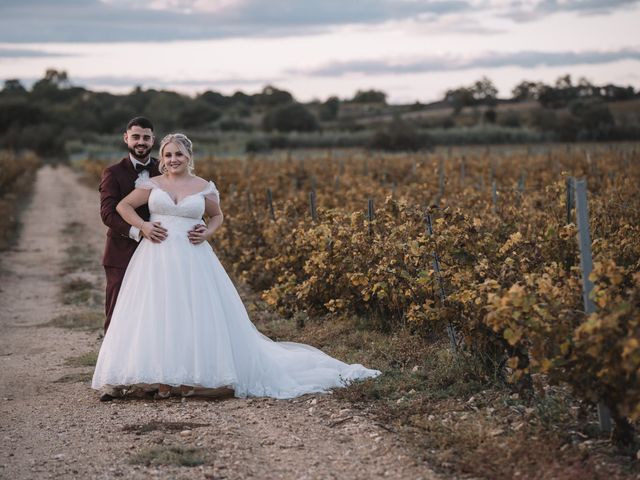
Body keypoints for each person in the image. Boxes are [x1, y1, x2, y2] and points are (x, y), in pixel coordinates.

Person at [91, 133, 381, 400]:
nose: (173, 159)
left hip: (193, 257)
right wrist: (143, 226)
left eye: (178, 154)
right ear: (162, 158)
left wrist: (207, 231)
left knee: (194, 313)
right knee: (158, 311)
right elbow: (122, 207)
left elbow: (217, 216)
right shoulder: (152, 184)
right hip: (156, 255)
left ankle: (189, 377)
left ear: (189, 156)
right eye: (167, 155)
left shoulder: (204, 187)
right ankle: (161, 378)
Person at [98, 118, 201, 401]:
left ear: (152, 140)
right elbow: (108, 213)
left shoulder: (166, 166)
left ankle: (153, 373)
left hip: (163, 255)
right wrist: (139, 230)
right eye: (136, 137)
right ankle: (113, 379)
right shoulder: (113, 172)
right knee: (119, 311)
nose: (141, 142)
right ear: (126, 139)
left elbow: (189, 200)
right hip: (123, 251)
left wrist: (199, 224)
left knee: (158, 313)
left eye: (146, 137)